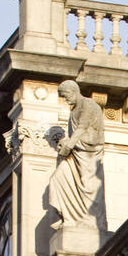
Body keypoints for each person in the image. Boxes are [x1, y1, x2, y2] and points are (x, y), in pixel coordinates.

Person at [48, 80, 107, 229]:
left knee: (89, 186)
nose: (65, 99)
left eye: (66, 95)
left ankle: (87, 220)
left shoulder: (88, 104)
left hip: (89, 152)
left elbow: (82, 128)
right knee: (58, 177)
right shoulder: (73, 110)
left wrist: (68, 144)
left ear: (74, 91)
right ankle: (69, 217)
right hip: (77, 153)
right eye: (63, 97)